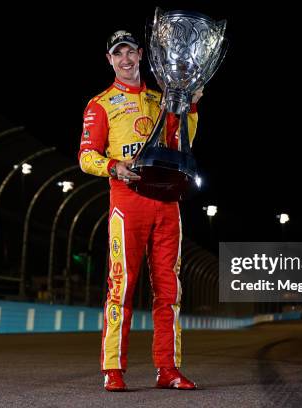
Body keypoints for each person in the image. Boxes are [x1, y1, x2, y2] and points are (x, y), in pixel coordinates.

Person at [78, 30, 203, 391]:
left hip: (166, 202)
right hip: (127, 203)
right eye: (118, 54)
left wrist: (189, 105)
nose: (126, 59)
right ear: (110, 60)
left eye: (130, 52)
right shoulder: (100, 104)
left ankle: (168, 369)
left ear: (141, 54)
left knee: (169, 290)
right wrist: (114, 166)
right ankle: (113, 369)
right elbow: (86, 157)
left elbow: (184, 141)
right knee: (122, 286)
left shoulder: (160, 98)